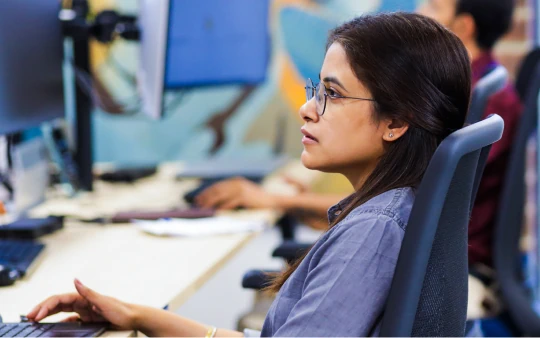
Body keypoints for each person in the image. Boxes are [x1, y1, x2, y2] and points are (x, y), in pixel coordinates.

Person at [26, 13, 472, 336]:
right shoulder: (394, 208)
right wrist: (139, 316)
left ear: (396, 122)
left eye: (333, 95)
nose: (306, 108)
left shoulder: (371, 233)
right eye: (316, 89)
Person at [418, 0, 523, 269]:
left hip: (448, 265)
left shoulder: (481, 99)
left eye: (433, 7)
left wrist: (296, 202)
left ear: (463, 27)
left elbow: (421, 188)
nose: (418, 12)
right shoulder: (466, 87)